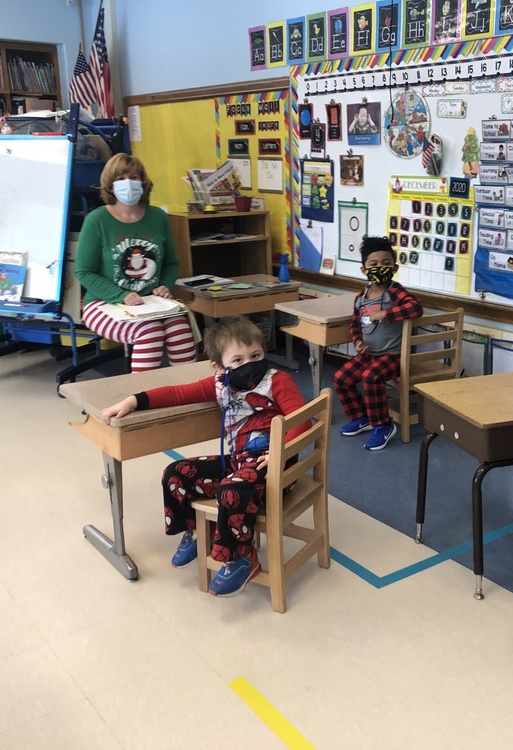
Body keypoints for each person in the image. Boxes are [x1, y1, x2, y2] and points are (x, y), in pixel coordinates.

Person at [100, 316, 308, 597]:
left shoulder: (277, 380)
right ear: (219, 367)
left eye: (256, 355)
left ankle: (242, 558)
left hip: (275, 466)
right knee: (176, 473)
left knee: (231, 488)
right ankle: (198, 533)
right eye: (238, 360)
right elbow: (178, 393)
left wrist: (280, 453)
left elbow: (302, 421)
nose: (249, 364)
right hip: (238, 463)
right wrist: (133, 400)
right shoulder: (220, 384)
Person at [75, 153, 198, 372]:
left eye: (133, 177)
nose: (128, 183)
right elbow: (84, 272)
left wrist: (164, 286)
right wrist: (120, 295)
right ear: (110, 186)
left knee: (181, 330)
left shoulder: (157, 217)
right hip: (102, 303)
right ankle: (141, 399)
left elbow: (171, 263)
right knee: (149, 333)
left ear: (143, 182)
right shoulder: (97, 220)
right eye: (121, 179)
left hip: (152, 303)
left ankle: (187, 395)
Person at [333, 235, 423, 451]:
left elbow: (416, 308)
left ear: (395, 267)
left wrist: (386, 313)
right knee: (341, 378)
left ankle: (383, 425)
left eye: (386, 263)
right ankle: (361, 417)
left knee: (370, 377)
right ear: (364, 270)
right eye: (373, 264)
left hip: (393, 355)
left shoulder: (394, 291)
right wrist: (357, 341)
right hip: (369, 354)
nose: (380, 268)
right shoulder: (360, 298)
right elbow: (355, 325)